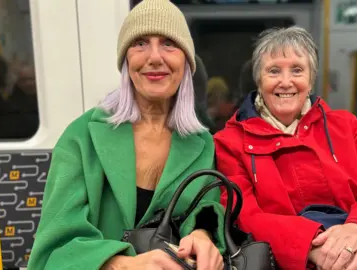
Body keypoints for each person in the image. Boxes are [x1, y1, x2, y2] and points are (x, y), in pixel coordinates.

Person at [28, 0, 225, 269]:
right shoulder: (82, 137)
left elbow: (205, 211)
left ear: (186, 61)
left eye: (169, 43)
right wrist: (125, 264)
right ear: (126, 60)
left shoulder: (201, 144)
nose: (154, 57)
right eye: (140, 43)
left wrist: (202, 236)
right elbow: (52, 251)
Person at [214, 26, 357, 270]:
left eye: (297, 70)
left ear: (311, 78)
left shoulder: (344, 127)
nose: (286, 82)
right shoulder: (229, 142)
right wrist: (314, 248)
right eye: (274, 71)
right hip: (284, 260)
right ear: (259, 80)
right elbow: (244, 217)